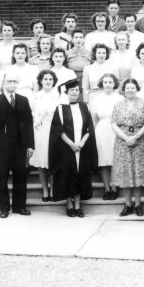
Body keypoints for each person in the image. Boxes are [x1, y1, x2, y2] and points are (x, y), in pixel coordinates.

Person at [0, 72, 34, 218]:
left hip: (20, 146)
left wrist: (30, 145)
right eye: (9, 81)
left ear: (17, 84)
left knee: (20, 177)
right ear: (3, 83)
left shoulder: (24, 100)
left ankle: (20, 207)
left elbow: (28, 124)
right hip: (3, 147)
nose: (11, 84)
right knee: (2, 177)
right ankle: (4, 208)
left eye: (14, 82)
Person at [49, 79, 98, 218]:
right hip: (67, 148)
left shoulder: (85, 107)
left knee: (80, 175)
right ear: (66, 92)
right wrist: (71, 144)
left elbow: (89, 128)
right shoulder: (60, 108)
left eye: (77, 90)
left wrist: (82, 142)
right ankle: (69, 204)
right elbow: (58, 130)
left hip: (82, 147)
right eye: (72, 90)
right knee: (69, 174)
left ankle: (78, 205)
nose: (75, 92)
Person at [111, 78, 144, 217]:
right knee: (125, 173)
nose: (130, 90)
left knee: (137, 172)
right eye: (127, 88)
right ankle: (128, 204)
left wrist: (136, 136)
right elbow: (114, 124)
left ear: (137, 89)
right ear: (123, 90)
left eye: (132, 88)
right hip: (122, 141)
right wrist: (125, 137)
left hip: (139, 141)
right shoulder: (117, 104)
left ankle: (138, 204)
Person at [29, 69, 60, 203]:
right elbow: (30, 115)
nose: (48, 81)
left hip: (54, 131)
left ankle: (53, 189)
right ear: (41, 81)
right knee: (41, 161)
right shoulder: (35, 96)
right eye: (45, 79)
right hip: (39, 130)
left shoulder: (58, 96)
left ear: (54, 82)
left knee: (52, 160)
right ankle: (45, 190)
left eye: (50, 79)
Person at [91, 72, 121, 201]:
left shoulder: (119, 98)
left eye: (110, 82)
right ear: (101, 84)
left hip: (116, 129)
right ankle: (107, 189)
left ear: (114, 84)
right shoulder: (96, 99)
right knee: (103, 161)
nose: (108, 85)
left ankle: (114, 188)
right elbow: (94, 119)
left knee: (114, 159)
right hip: (102, 129)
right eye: (105, 82)